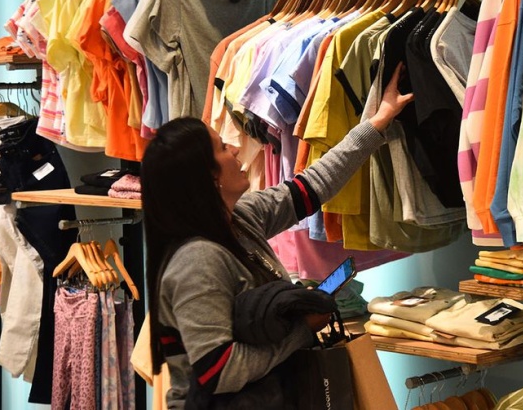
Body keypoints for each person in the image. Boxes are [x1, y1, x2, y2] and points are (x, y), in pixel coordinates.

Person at [141, 64, 413, 408]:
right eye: (222, 148)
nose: (235, 149)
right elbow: (220, 371)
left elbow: (313, 185)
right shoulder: (198, 261)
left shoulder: (240, 219)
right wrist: (302, 329)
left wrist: (377, 122)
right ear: (208, 177)